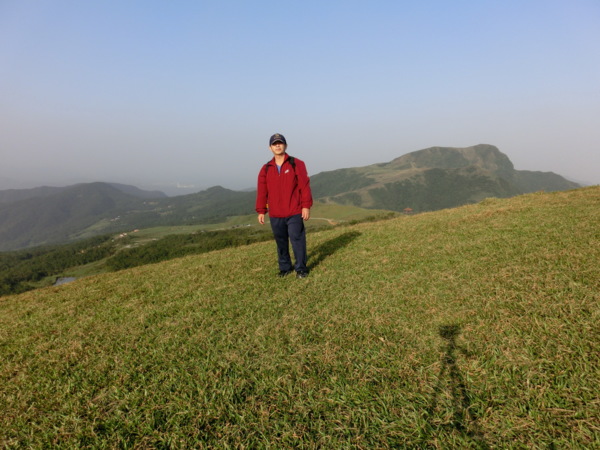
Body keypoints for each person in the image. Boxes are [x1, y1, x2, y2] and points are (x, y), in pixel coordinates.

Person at [256, 133, 313, 278]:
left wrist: (306, 206)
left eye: (280, 143)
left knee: (297, 239)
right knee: (281, 242)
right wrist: (261, 210)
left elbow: (304, 186)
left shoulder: (296, 163)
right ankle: (285, 268)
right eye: (274, 144)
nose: (277, 146)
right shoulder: (266, 168)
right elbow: (262, 191)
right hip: (275, 213)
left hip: (294, 210)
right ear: (270, 148)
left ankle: (301, 268)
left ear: (285, 145)